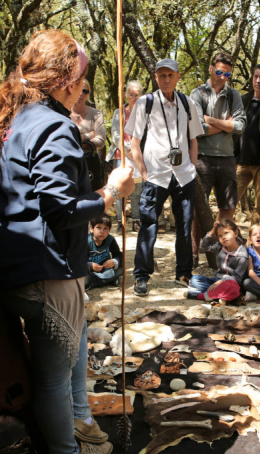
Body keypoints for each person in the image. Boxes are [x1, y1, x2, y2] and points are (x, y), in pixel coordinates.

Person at [0, 29, 134, 454]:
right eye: (81, 76)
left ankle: (82, 423)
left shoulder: (19, 120)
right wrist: (111, 192)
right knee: (53, 380)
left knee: (69, 357)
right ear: (66, 80)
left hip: (29, 266)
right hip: (48, 271)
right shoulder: (53, 126)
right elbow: (60, 209)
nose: (83, 86)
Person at [125, 58, 204, 296]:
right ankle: (141, 276)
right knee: (148, 225)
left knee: (183, 225)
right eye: (161, 75)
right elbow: (134, 143)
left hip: (183, 176)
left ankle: (184, 273)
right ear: (155, 78)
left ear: (178, 77)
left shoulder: (187, 103)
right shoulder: (144, 103)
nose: (166, 79)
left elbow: (193, 140)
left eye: (170, 75)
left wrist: (192, 167)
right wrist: (144, 172)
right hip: (155, 176)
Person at [190, 52, 246, 264]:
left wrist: (212, 120)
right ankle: (194, 254)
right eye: (220, 71)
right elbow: (196, 127)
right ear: (211, 69)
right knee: (197, 209)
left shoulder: (234, 96)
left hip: (227, 158)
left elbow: (239, 126)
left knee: (227, 208)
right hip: (202, 157)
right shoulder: (198, 94)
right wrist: (226, 125)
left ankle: (225, 254)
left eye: (227, 74)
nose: (223, 77)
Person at [108, 80, 143, 233]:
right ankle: (120, 222)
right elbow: (115, 133)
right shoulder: (119, 112)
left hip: (138, 155)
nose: (133, 97)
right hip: (121, 153)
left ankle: (136, 219)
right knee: (119, 188)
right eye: (131, 94)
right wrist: (128, 148)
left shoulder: (144, 113)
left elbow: (147, 133)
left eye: (137, 95)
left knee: (137, 190)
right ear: (126, 95)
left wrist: (137, 151)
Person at [234, 64, 260, 224]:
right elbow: (234, 130)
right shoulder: (244, 100)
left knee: (259, 207)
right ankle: (220, 239)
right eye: (256, 76)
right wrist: (233, 158)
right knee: (229, 201)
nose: (258, 81)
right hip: (241, 163)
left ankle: (253, 244)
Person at [184, 220, 248, 302]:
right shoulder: (220, 246)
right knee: (195, 279)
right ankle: (219, 295)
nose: (223, 237)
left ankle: (203, 295)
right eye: (220, 236)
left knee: (231, 287)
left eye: (226, 233)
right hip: (216, 280)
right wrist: (213, 231)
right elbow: (204, 246)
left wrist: (221, 281)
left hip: (231, 283)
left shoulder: (242, 255)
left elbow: (237, 278)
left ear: (235, 233)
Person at [70, 79, 107, 190]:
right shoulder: (63, 113)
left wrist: (76, 143)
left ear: (88, 94)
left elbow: (101, 139)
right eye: (79, 90)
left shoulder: (95, 114)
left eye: (85, 91)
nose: (81, 94)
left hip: (89, 164)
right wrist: (87, 136)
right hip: (68, 164)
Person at [86, 214, 123, 288]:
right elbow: (78, 261)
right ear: (91, 228)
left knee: (121, 269)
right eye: (98, 228)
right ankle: (109, 280)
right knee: (84, 278)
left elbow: (118, 255)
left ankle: (94, 282)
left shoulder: (111, 239)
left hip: (105, 269)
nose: (102, 231)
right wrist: (90, 266)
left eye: (105, 228)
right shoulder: (86, 241)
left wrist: (114, 262)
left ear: (109, 229)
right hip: (90, 271)